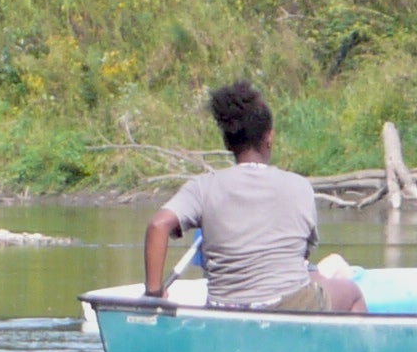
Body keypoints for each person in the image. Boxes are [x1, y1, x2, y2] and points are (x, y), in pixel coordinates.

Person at [142, 82, 364, 313]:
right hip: (289, 304)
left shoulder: (202, 187)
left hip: (224, 308)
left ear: (228, 143)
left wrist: (154, 294)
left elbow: (158, 225)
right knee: (352, 293)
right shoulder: (299, 186)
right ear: (269, 137)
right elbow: (301, 255)